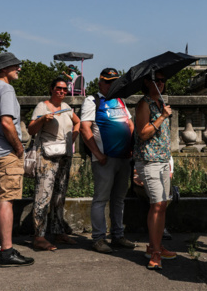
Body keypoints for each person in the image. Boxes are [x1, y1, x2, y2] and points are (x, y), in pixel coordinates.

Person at [0, 52, 34, 267]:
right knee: (6, 200)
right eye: (14, 66)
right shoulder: (6, 89)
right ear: (3, 69)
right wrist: (19, 148)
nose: (18, 68)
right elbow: (7, 123)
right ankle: (7, 251)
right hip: (5, 153)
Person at [80, 68, 136, 254]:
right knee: (101, 199)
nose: (112, 85)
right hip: (104, 159)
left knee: (119, 199)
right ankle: (98, 238)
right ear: (100, 83)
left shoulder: (120, 100)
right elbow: (85, 128)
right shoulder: (92, 100)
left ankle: (118, 235)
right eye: (109, 81)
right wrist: (97, 153)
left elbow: (130, 123)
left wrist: (131, 147)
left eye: (115, 82)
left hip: (124, 158)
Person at [28, 77, 80, 251]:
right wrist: (43, 120)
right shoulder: (42, 106)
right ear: (51, 89)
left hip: (64, 155)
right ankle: (39, 236)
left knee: (59, 196)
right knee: (43, 195)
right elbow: (31, 130)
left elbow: (78, 122)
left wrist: (74, 136)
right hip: (47, 156)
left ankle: (58, 231)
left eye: (65, 89)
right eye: (58, 88)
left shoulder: (66, 108)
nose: (62, 92)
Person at [133, 71, 176, 270]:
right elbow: (142, 134)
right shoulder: (144, 104)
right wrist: (161, 117)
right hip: (149, 161)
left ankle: (155, 246)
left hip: (163, 161)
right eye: (156, 80)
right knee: (157, 204)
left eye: (163, 80)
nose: (160, 83)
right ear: (146, 82)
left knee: (162, 204)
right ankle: (155, 252)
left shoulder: (160, 104)